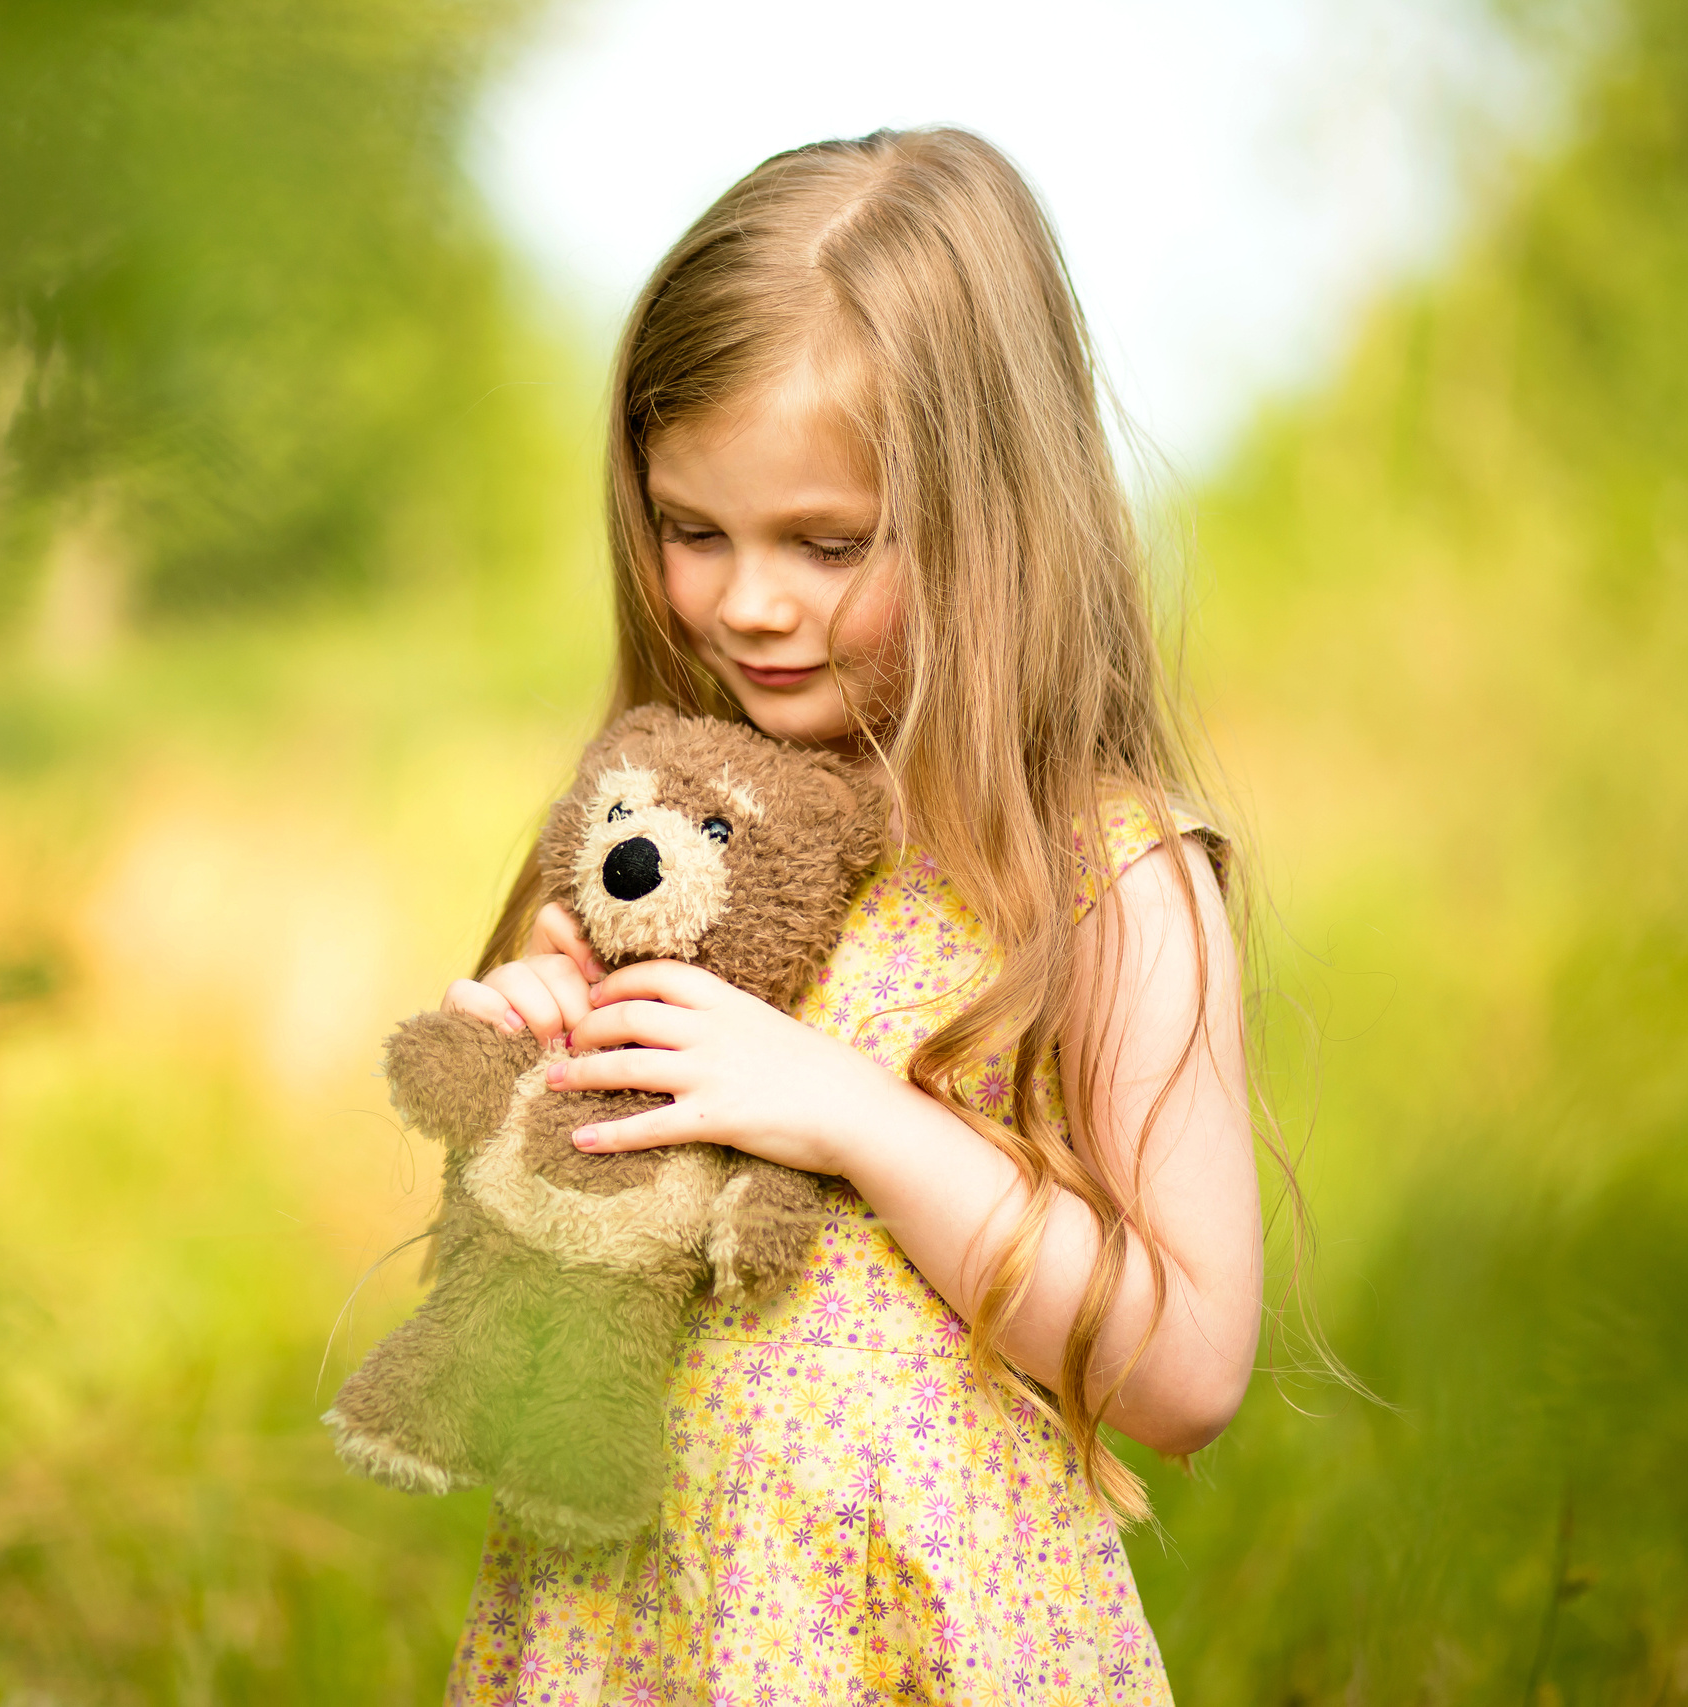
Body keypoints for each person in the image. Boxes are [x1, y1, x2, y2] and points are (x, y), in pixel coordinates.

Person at [434, 128, 1264, 1704]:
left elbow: (1188, 1369)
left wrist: (856, 1116)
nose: (749, 602)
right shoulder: (656, 833)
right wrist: (539, 1077)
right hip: (639, 1631)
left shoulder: (1104, 879)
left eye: (828, 544)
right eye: (693, 530)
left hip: (914, 1645)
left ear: (996, 516)